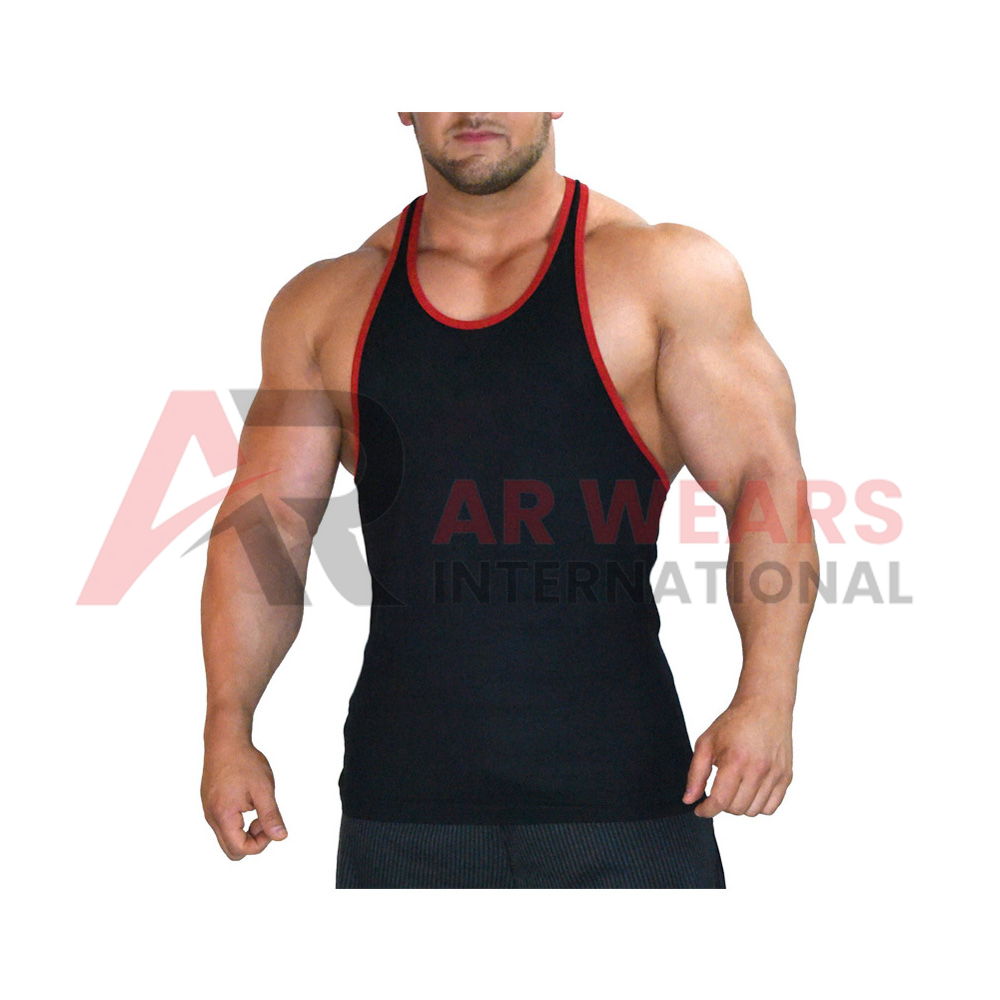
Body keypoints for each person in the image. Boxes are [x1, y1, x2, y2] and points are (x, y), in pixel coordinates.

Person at [200, 112, 819, 888]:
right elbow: (265, 534)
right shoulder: (328, 302)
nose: (475, 103)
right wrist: (227, 725)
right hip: (404, 814)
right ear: (404, 103)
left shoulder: (663, 275)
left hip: (627, 804)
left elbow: (766, 484)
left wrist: (766, 698)